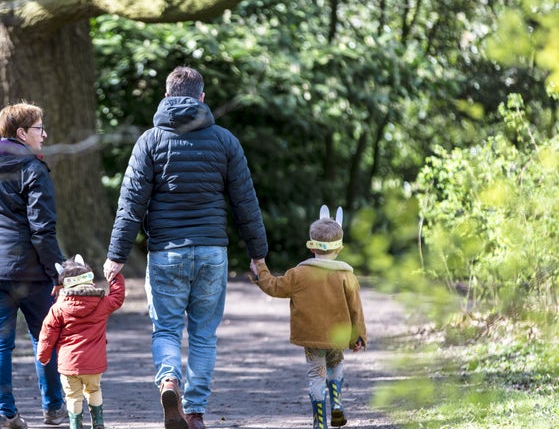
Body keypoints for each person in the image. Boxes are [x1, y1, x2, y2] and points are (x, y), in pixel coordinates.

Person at [103, 66, 268, 429]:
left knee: (165, 330)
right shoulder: (225, 141)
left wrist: (116, 255)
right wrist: (258, 255)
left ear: (166, 97)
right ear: (202, 98)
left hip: (166, 252)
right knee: (204, 335)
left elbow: (131, 204)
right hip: (211, 251)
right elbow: (246, 203)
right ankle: (194, 413)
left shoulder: (150, 141)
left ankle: (169, 380)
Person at [0, 102, 68, 429]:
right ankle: (54, 409)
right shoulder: (32, 168)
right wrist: (59, 271)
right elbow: (42, 230)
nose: (44, 134)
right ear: (21, 133)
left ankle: (4, 413)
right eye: (39, 128)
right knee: (46, 338)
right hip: (29, 272)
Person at [249, 206, 367, 429]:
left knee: (316, 374)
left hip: (312, 338)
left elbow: (274, 287)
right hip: (337, 335)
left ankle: (319, 421)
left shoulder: (299, 274)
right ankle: (338, 403)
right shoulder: (346, 276)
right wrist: (358, 337)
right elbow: (356, 309)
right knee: (336, 364)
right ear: (339, 248)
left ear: (312, 247)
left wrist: (260, 270)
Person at [37, 255, 126, 429]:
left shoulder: (58, 308)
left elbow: (47, 333)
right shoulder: (102, 303)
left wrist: (43, 355)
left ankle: (75, 425)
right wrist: (115, 276)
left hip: (69, 365)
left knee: (73, 397)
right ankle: (98, 423)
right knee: (94, 390)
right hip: (94, 362)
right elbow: (118, 297)